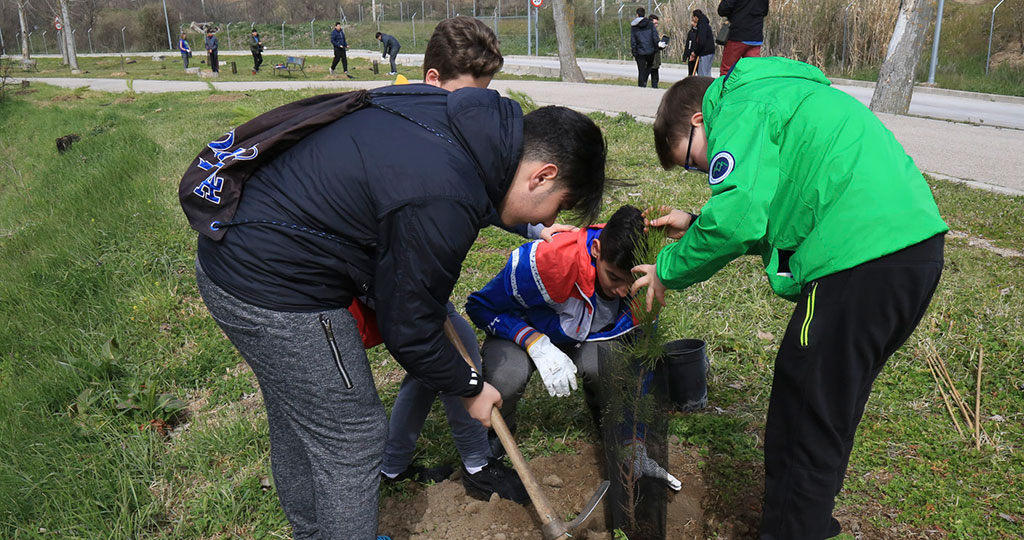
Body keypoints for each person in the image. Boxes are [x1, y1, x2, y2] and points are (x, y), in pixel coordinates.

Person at [189, 74, 610, 539]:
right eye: (558, 207)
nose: (550, 220)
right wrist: (470, 386)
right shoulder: (442, 195)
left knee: (305, 420)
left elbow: (456, 194)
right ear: (543, 175)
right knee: (351, 437)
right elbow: (409, 327)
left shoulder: (460, 121)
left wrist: (527, 227)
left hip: (235, 245)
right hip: (276, 285)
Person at [635, 57, 948, 539]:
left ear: (699, 118)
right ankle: (810, 524)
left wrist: (667, 269)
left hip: (857, 257)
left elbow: (737, 220)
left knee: (801, 413)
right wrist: (696, 221)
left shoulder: (737, 105)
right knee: (828, 405)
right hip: (911, 252)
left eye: (694, 160)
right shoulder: (780, 95)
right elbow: (774, 206)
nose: (703, 171)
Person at [379, 16, 529, 504]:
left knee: (431, 371)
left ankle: (392, 465)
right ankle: (478, 465)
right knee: (459, 357)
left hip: (407, 271)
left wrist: (534, 226)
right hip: (389, 274)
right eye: (471, 95)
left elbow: (480, 193)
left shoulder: (443, 131)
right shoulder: (409, 132)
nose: (478, 111)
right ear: (433, 80)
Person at [717, 0, 769, 75]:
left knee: (727, 70)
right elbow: (765, 11)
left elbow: (722, 10)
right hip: (755, 37)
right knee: (751, 72)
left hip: (737, 35)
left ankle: (725, 83)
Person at [629, 7, 659, 88]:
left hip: (640, 51)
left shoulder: (634, 26)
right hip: (650, 50)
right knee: (649, 66)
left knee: (641, 70)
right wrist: (656, 47)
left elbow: (633, 40)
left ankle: (641, 85)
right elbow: (655, 37)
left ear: (637, 15)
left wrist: (634, 51)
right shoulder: (650, 25)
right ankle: (644, 80)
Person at [684, 10, 715, 77]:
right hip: (708, 52)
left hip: (705, 52)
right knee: (706, 73)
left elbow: (701, 42)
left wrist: (695, 52)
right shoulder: (704, 25)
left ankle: (705, 84)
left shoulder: (702, 26)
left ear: (696, 17)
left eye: (693, 17)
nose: (693, 19)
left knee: (703, 74)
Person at [649, 15, 669, 89]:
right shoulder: (648, 32)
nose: (656, 25)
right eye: (655, 23)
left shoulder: (655, 32)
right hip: (650, 56)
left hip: (655, 57)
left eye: (657, 23)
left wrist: (662, 45)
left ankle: (655, 88)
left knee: (655, 76)